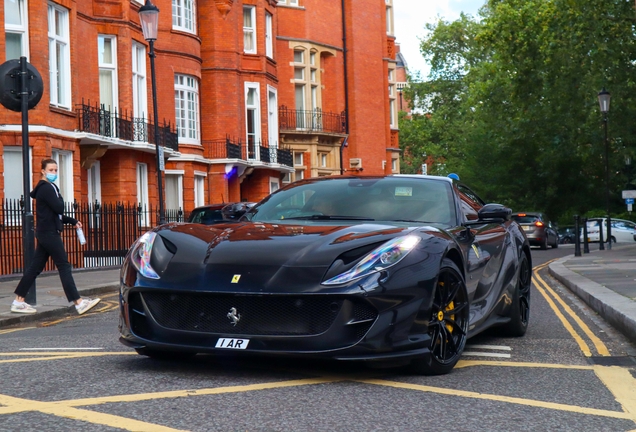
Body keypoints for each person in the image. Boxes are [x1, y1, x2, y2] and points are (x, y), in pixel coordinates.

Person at [10, 159, 101, 315]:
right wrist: (59, 197)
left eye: (55, 170)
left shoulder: (49, 188)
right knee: (64, 266)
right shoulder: (46, 188)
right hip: (49, 233)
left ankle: (18, 301)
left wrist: (73, 221)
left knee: (35, 268)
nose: (54, 173)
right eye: (51, 170)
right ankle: (78, 303)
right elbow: (59, 207)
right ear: (43, 171)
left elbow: (55, 214)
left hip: (46, 232)